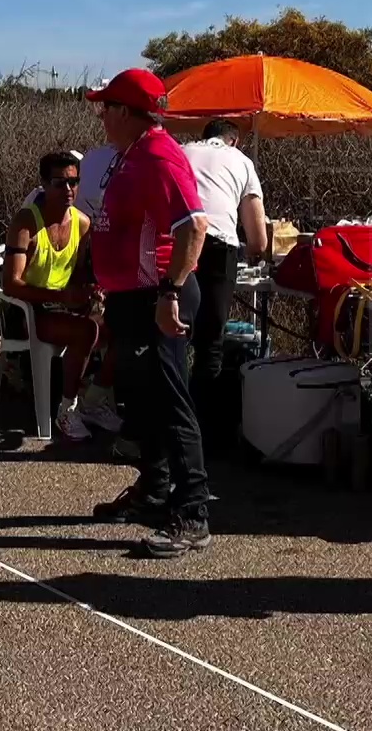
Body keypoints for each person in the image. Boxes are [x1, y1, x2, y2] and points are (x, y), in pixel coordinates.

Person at [84, 69, 213, 558]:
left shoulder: (159, 155)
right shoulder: (129, 155)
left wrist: (170, 292)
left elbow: (193, 227)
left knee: (170, 402)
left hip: (157, 297)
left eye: (105, 107)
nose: (100, 116)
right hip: (130, 298)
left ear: (124, 112)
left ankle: (193, 512)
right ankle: (155, 490)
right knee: (140, 402)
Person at [0, 151, 102, 442]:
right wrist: (59, 296)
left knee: (120, 324)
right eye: (60, 183)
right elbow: (11, 284)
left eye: (74, 182)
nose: (68, 190)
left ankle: (95, 398)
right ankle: (66, 409)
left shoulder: (82, 224)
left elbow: (80, 272)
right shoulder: (26, 223)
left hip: (64, 306)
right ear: (44, 183)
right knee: (86, 331)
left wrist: (92, 291)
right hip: (30, 310)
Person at [180, 119, 269, 437]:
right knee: (210, 343)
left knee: (172, 336)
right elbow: (258, 240)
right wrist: (253, 254)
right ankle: (202, 431)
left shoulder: (179, 151)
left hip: (175, 240)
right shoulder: (241, 161)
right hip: (218, 247)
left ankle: (166, 423)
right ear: (234, 141)